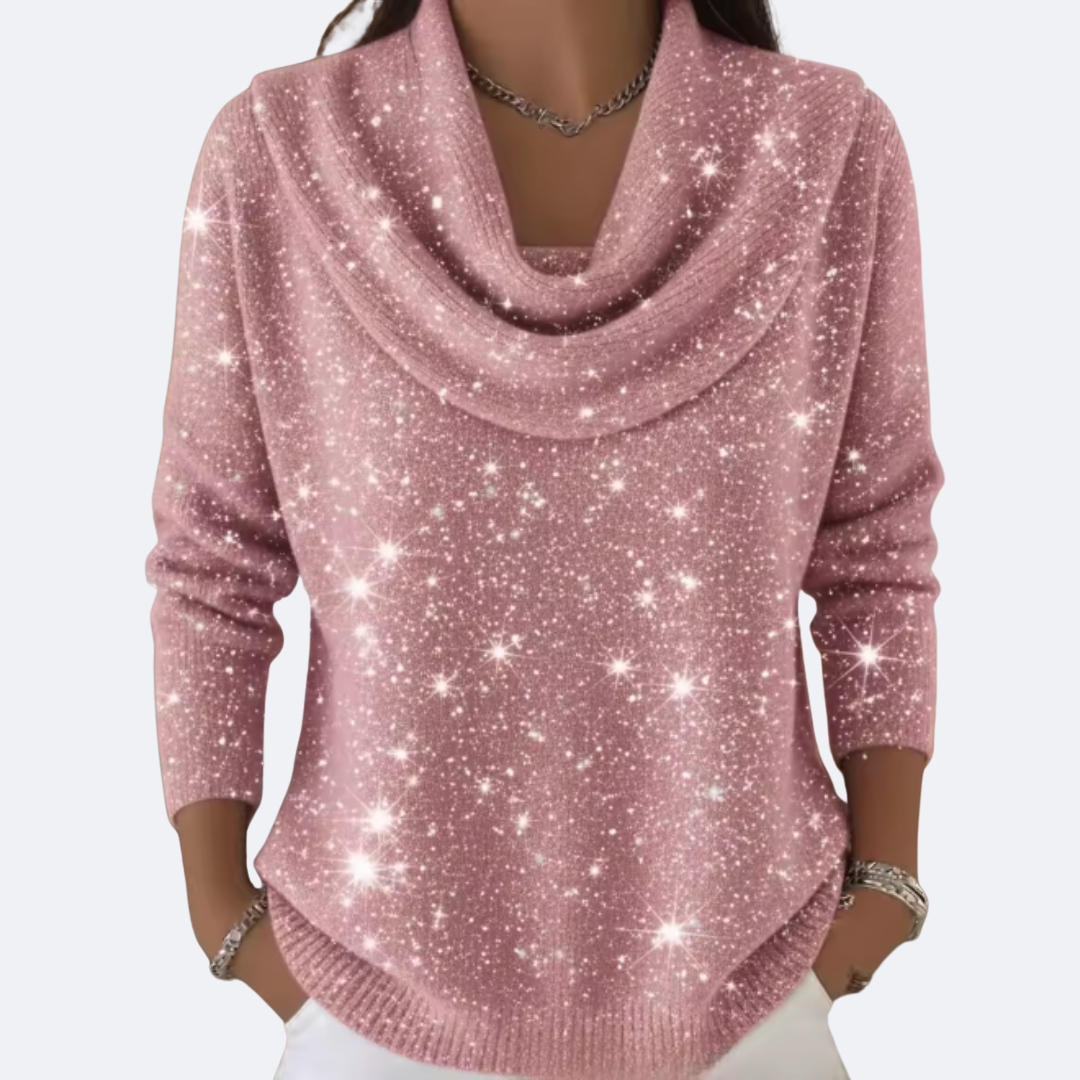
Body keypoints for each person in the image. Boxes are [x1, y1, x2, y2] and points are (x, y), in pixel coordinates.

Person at [145, 0, 943, 1076]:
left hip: (749, 1004)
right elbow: (213, 562)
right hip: (370, 1008)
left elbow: (875, 545)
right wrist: (222, 914)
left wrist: (883, 892)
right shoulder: (283, 156)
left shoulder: (823, 148)